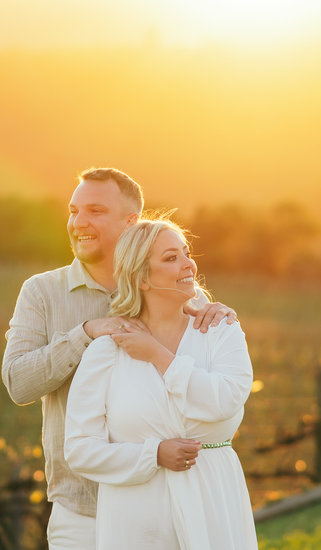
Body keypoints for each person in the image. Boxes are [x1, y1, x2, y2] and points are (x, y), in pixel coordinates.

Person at [1, 168, 238, 550]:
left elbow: (206, 383)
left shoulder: (183, 294)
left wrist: (220, 314)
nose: (79, 222)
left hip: (164, 503)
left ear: (131, 222)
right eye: (74, 211)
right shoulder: (41, 292)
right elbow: (18, 384)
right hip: (82, 511)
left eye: (95, 211)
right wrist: (86, 333)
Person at [64, 217, 258, 550]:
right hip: (137, 519)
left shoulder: (221, 330)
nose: (189, 264)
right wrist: (152, 455)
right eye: (171, 258)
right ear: (141, 277)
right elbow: (80, 449)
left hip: (212, 503)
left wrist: (158, 355)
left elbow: (226, 401)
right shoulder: (106, 351)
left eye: (186, 253)